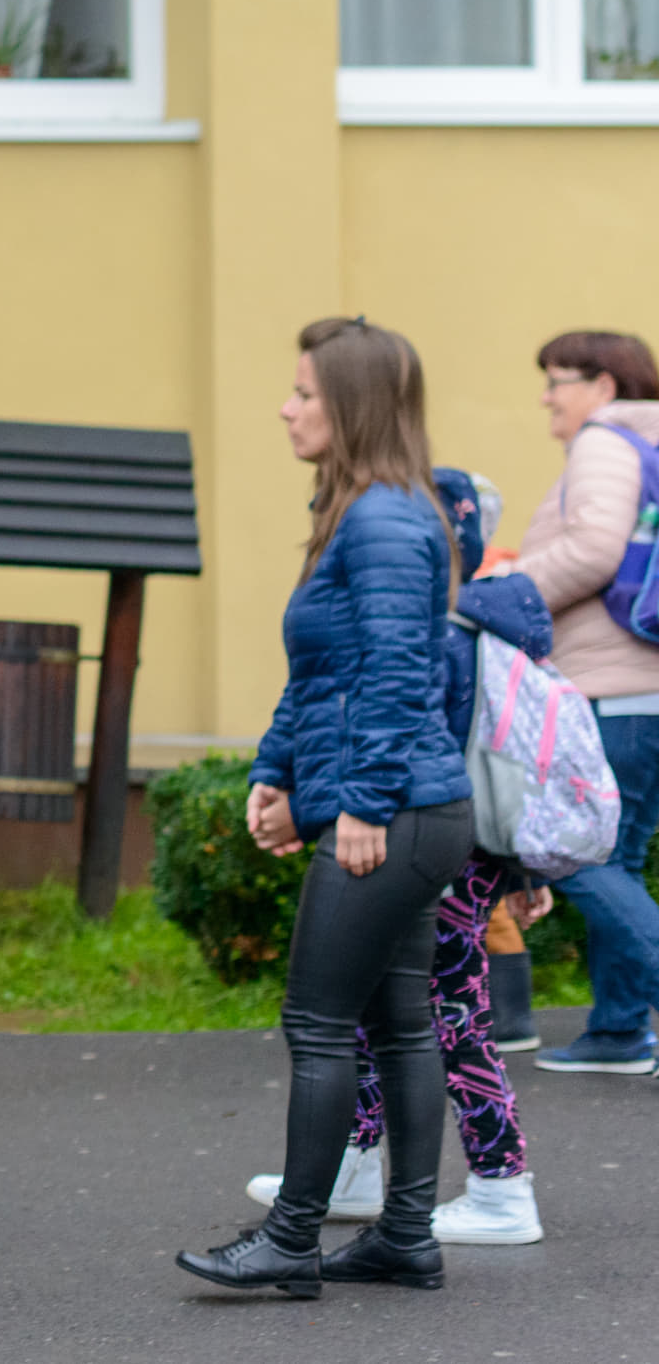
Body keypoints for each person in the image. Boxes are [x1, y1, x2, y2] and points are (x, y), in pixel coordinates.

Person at [178, 316, 474, 1297]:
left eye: (304, 392)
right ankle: (405, 1235)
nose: (286, 406)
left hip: (394, 812)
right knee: (400, 1024)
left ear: (350, 405)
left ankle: (292, 1239)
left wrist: (358, 805)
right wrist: (276, 776)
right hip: (405, 807)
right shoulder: (361, 512)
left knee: (317, 1021)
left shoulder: (385, 518)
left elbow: (398, 676)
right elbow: (320, 676)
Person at [239, 469, 556, 1247]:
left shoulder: (440, 639)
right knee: (382, 1018)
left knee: (444, 1022)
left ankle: (501, 1184)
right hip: (464, 849)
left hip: (433, 845)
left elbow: (440, 752)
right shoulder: (463, 631)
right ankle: (355, 1160)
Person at [490, 330, 659, 1075]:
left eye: (557, 379)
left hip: (611, 692)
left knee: (575, 855)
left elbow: (593, 549)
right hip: (644, 694)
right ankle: (620, 1032)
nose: (546, 397)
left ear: (603, 384)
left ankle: (625, 1026)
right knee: (617, 856)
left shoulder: (605, 438)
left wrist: (504, 593)